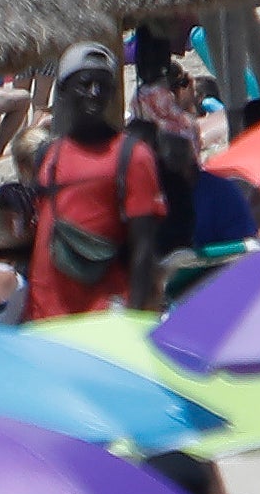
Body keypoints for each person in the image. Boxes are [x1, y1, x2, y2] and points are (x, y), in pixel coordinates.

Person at [22, 47, 167, 320]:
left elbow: (144, 245)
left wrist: (133, 318)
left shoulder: (133, 155)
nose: (94, 93)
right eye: (84, 84)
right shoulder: (49, 155)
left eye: (102, 85)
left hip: (103, 315)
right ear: (63, 92)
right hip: (45, 315)